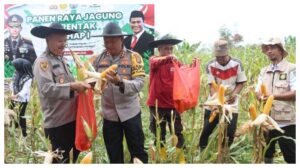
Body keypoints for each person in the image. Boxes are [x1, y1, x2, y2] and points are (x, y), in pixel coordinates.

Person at [31, 22, 91, 163]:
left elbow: (68, 85)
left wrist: (85, 85)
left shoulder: (62, 60)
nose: (63, 44)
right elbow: (46, 88)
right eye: (59, 40)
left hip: (72, 121)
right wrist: (73, 86)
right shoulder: (43, 62)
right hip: (58, 125)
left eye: (65, 40)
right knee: (60, 162)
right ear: (47, 40)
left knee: (72, 159)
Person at [92, 22, 148, 163]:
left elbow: (139, 83)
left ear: (121, 40)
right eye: (106, 42)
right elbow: (92, 79)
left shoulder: (134, 57)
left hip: (130, 113)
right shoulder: (98, 59)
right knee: (114, 155)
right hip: (109, 115)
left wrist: (120, 82)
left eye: (112, 41)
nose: (109, 45)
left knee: (138, 153)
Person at [199, 39, 247, 151]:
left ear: (227, 53)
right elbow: (211, 85)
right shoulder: (210, 65)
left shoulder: (237, 64)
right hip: (215, 100)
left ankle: (225, 151)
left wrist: (233, 96)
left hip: (232, 102)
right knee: (207, 129)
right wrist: (216, 101)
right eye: (217, 57)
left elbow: (241, 83)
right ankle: (202, 150)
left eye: (222, 57)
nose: (219, 59)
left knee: (230, 131)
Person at [146, 34, 185, 163]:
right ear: (159, 49)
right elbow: (156, 62)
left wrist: (193, 66)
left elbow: (184, 72)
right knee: (159, 134)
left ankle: (180, 158)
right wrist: (168, 58)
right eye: (166, 48)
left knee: (178, 132)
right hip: (157, 105)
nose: (169, 51)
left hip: (173, 104)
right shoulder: (154, 60)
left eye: (171, 49)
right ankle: (162, 158)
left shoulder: (175, 62)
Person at [256, 37, 295, 164]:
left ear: (281, 50)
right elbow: (258, 91)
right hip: (266, 120)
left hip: (286, 121)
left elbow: (296, 93)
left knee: (290, 155)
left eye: (272, 48)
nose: (269, 51)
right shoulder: (263, 71)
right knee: (266, 152)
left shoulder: (292, 69)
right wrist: (259, 95)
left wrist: (273, 96)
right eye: (267, 48)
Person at [9, 58, 33, 137]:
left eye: (16, 66)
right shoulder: (16, 73)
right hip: (14, 97)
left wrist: (16, 95)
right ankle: (14, 131)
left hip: (22, 99)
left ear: (20, 67)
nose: (15, 68)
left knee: (21, 116)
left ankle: (24, 134)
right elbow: (12, 84)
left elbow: (25, 90)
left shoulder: (28, 77)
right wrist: (13, 94)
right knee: (12, 114)